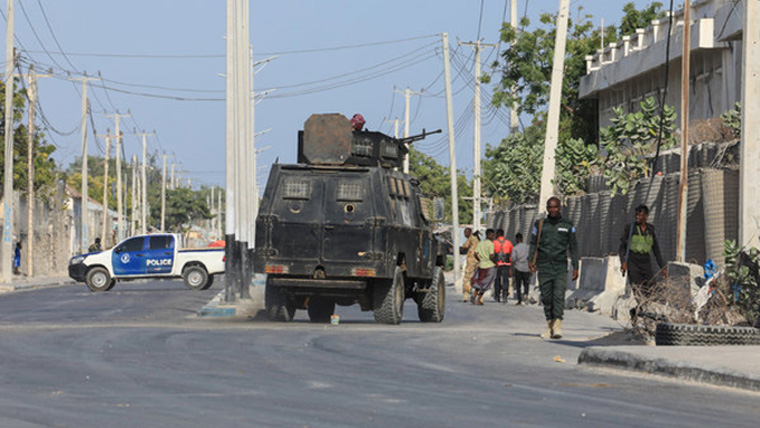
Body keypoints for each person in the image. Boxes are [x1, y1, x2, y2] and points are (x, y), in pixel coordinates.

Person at [529, 197, 579, 339]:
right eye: (550, 207)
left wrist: (576, 266)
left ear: (560, 207)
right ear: (547, 208)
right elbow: (533, 243)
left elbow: (573, 247)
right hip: (544, 265)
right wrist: (530, 260)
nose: (553, 210)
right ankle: (549, 324)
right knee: (546, 297)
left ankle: (558, 325)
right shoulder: (539, 224)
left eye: (555, 207)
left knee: (558, 295)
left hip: (560, 265)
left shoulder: (568, 225)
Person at [619, 204, 668, 302]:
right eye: (636, 215)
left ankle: (645, 309)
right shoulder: (630, 228)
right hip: (633, 261)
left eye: (640, 215)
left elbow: (656, 250)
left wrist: (663, 267)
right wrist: (623, 262)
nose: (637, 217)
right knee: (637, 288)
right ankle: (640, 309)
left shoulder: (650, 230)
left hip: (645, 261)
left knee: (650, 287)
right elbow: (622, 247)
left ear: (646, 216)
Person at [471, 228, 497, 305]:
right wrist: (496, 263)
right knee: (486, 283)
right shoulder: (490, 244)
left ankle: (474, 295)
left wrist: (480, 260)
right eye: (492, 235)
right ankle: (479, 299)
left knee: (480, 282)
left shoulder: (481, 243)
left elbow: (475, 254)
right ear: (489, 235)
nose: (493, 236)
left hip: (481, 266)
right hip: (489, 266)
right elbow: (491, 256)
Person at [459, 227, 480, 302]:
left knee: (467, 277)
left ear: (469, 232)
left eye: (466, 232)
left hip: (472, 260)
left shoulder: (471, 238)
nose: (465, 234)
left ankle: (466, 295)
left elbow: (465, 246)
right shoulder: (477, 238)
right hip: (479, 260)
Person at [492, 229, 513, 303]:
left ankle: (497, 295)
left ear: (498, 234)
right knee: (505, 280)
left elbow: (492, 253)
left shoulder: (494, 242)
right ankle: (504, 295)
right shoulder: (508, 242)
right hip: (506, 264)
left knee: (497, 280)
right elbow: (511, 254)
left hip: (497, 264)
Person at [512, 232, 531, 306]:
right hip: (526, 268)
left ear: (516, 239)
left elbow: (513, 258)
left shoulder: (515, 248)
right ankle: (526, 294)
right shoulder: (527, 247)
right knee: (526, 283)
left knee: (518, 285)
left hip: (518, 268)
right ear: (522, 239)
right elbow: (530, 256)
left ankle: (519, 300)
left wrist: (511, 268)